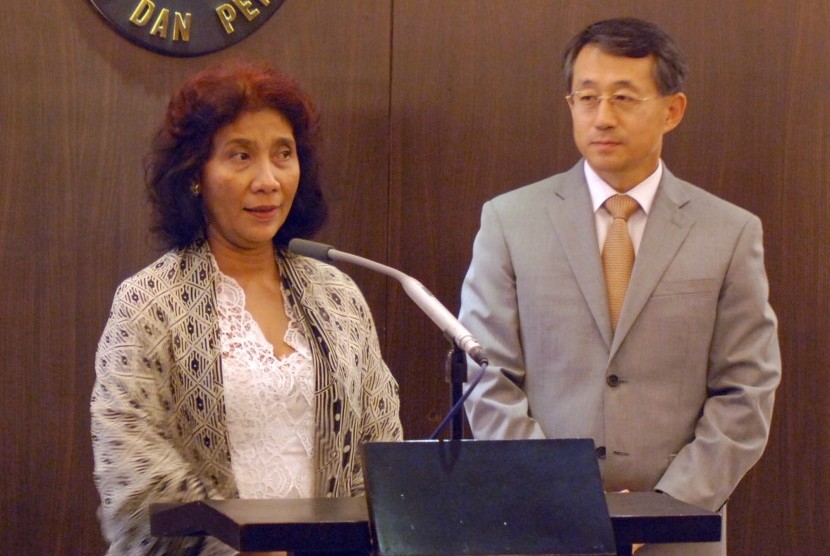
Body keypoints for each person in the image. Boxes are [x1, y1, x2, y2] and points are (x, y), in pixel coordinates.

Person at [459, 18, 780, 555]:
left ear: (672, 110)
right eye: (587, 97)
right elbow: (487, 380)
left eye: (624, 98)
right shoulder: (510, 221)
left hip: (678, 533)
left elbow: (746, 390)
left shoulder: (730, 231)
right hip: (542, 528)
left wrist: (661, 511)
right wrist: (564, 500)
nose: (601, 117)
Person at [90, 61, 403, 555]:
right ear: (196, 173)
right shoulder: (149, 302)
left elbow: (383, 455)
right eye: (241, 156)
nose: (268, 180)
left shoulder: (338, 296)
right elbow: (135, 478)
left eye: (283, 154)